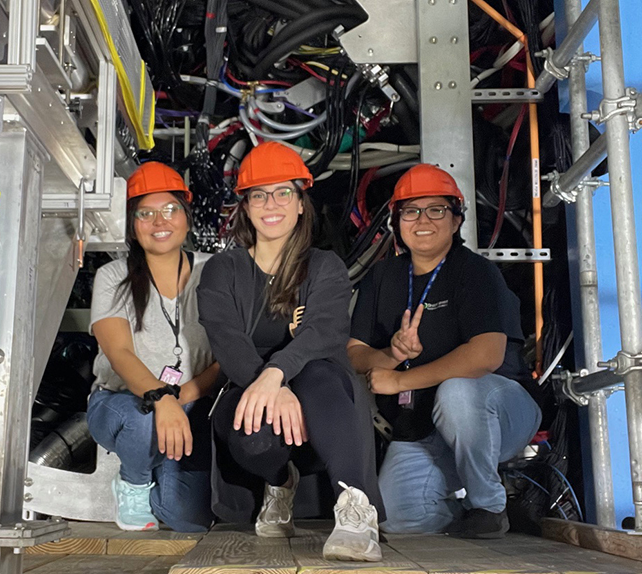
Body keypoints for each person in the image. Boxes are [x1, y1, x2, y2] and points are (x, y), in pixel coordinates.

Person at [197, 141, 384, 562]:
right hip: (249, 389)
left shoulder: (324, 266)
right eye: (259, 195)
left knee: (319, 376)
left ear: (302, 203)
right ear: (245, 207)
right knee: (253, 431)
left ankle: (356, 512)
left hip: (322, 403)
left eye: (284, 192)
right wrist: (268, 384)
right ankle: (281, 484)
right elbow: (226, 338)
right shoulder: (221, 270)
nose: (271, 204)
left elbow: (324, 331)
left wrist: (278, 373)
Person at [348, 164, 542, 539]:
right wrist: (389, 354)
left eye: (436, 209)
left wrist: (401, 378)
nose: (423, 220)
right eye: (411, 211)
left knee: (457, 392)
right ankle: (472, 509)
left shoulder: (476, 272)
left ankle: (489, 506)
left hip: (499, 412)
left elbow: (486, 355)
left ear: (456, 221)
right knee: (395, 519)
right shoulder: (382, 277)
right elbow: (353, 353)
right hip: (423, 428)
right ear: (396, 222)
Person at [87, 161, 219, 532]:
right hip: (121, 405)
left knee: (187, 518)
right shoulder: (114, 277)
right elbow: (119, 352)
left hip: (193, 404)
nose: (159, 222)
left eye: (169, 210)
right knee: (141, 420)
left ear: (186, 217)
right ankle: (133, 481)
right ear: (132, 225)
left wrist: (182, 397)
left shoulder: (216, 271)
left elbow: (229, 353)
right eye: (145, 213)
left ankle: (157, 467)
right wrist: (162, 399)